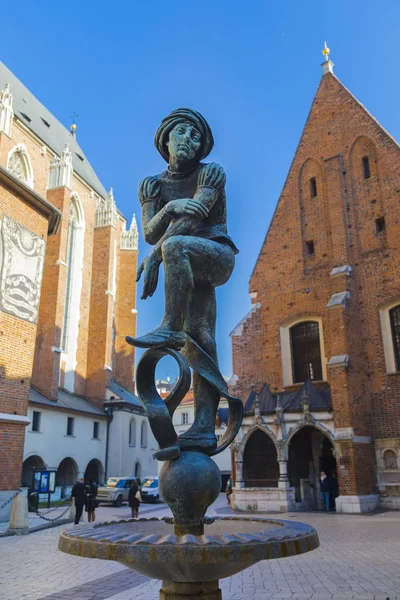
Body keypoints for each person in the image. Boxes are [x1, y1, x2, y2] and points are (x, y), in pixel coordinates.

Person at [127, 108, 239, 456]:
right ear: (166, 139)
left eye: (195, 136)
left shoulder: (212, 173)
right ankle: (204, 426)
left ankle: (170, 327)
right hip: (187, 263)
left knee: (176, 245)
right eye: (182, 133)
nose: (188, 140)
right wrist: (170, 204)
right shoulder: (152, 185)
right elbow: (149, 232)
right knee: (202, 335)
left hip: (216, 257)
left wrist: (156, 257)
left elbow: (193, 219)